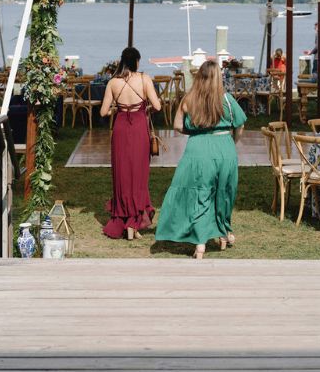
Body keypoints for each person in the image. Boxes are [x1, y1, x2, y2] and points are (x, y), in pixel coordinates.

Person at [156, 59, 246, 258]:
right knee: (223, 192)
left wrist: (195, 130)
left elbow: (178, 126)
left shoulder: (189, 99)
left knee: (200, 192)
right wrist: (232, 142)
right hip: (224, 147)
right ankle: (223, 233)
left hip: (198, 148)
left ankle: (200, 242)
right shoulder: (228, 100)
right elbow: (240, 125)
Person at [100, 46, 161, 240]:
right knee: (139, 174)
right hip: (139, 128)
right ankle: (133, 224)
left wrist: (116, 110)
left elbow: (103, 112)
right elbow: (158, 106)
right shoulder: (144, 79)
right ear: (136, 61)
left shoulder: (112, 83)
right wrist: (145, 106)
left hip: (120, 129)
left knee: (122, 174)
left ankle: (124, 218)